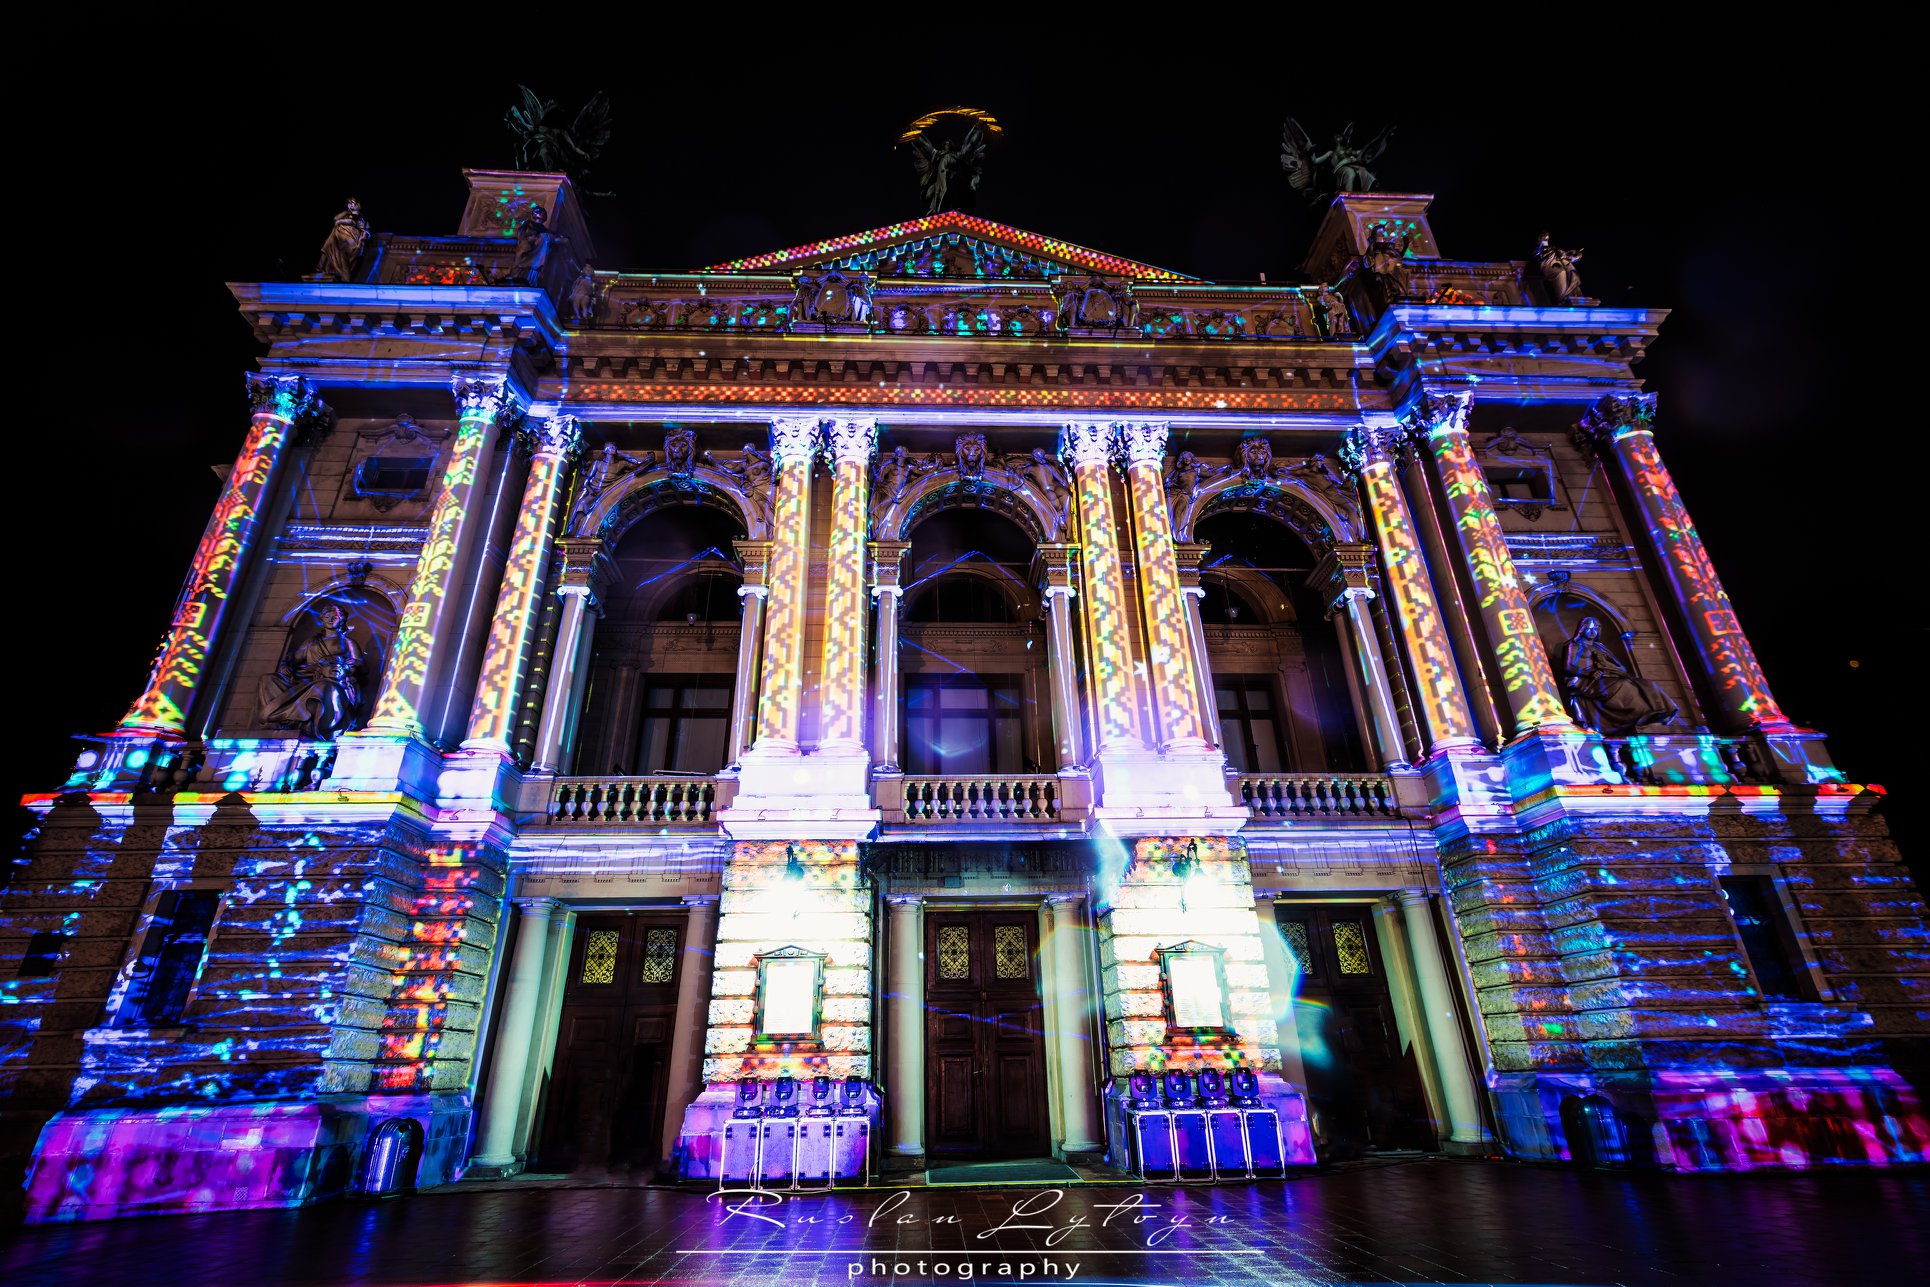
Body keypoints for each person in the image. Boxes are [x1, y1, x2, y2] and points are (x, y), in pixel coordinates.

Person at [258, 604, 362, 740]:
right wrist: (285, 665)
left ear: (341, 619)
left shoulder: (347, 643)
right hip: (304, 679)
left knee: (322, 687)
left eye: (334, 617)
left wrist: (344, 664)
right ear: (322, 619)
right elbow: (294, 659)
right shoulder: (312, 642)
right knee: (268, 680)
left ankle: (309, 725)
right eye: (327, 617)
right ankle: (279, 720)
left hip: (331, 680)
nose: (330, 620)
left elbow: (360, 664)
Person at [1561, 616, 1676, 734]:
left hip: (1606, 676)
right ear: (1582, 629)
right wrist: (1590, 673)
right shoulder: (1574, 645)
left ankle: (1658, 712)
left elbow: (1620, 666)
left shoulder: (1599, 647)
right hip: (1585, 681)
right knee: (1623, 685)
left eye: (1595, 628)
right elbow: (1568, 667)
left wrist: (1608, 669)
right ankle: (1638, 714)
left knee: (1646, 683)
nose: (1592, 631)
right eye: (1590, 628)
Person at [315, 199, 369, 281]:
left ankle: (324, 262)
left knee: (335, 236)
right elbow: (335, 218)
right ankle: (329, 264)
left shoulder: (360, 216)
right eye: (349, 203)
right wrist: (346, 212)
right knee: (334, 233)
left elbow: (354, 223)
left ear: (357, 205)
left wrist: (341, 221)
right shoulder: (346, 214)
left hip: (351, 236)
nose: (350, 205)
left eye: (352, 203)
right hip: (340, 237)